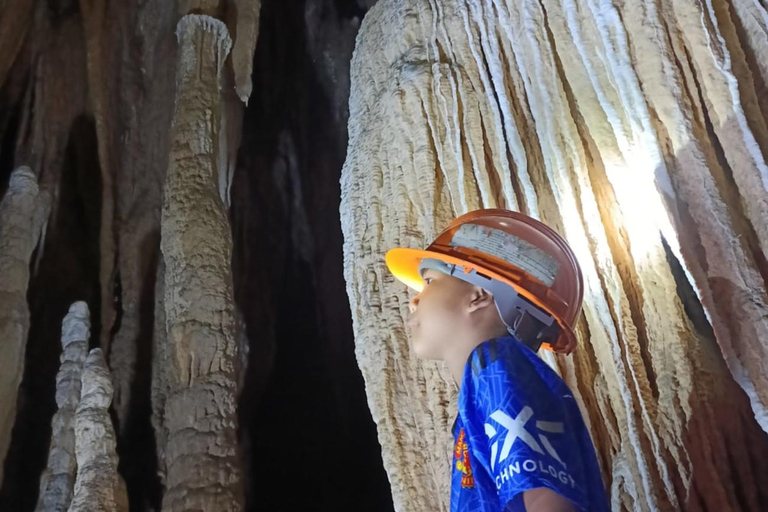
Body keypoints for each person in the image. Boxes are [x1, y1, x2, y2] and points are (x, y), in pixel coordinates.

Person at [386, 209, 609, 512]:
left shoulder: (497, 366)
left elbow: (546, 498)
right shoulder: (482, 391)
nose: (414, 298)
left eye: (428, 280)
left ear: (478, 295)